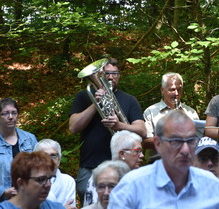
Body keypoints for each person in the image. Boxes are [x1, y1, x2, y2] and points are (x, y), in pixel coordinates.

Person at [108, 110, 219, 209]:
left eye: (190, 141)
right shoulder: (132, 186)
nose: (185, 150)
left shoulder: (211, 186)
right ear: (158, 144)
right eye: (176, 141)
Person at [69, 57, 146, 201]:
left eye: (115, 73)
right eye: (107, 73)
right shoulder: (84, 96)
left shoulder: (130, 100)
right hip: (90, 166)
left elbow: (142, 131)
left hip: (123, 167)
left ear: (119, 76)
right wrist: (95, 103)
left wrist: (120, 126)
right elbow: (73, 127)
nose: (111, 77)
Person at [83, 130, 143, 206]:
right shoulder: (102, 176)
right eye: (137, 151)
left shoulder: (139, 177)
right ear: (122, 154)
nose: (142, 155)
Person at [143, 72, 199, 150]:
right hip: (159, 159)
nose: (176, 93)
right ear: (162, 90)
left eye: (179, 89)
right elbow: (146, 142)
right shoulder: (150, 112)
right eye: (172, 89)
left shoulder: (191, 113)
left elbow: (198, 138)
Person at [0, 98, 37, 201]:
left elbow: (39, 167)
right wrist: (3, 192)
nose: (10, 117)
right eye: (5, 113)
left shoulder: (30, 139)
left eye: (14, 113)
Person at [0, 151, 65, 209]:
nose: (48, 184)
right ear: (21, 183)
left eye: (50, 178)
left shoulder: (56, 207)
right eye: (41, 179)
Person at [34, 139, 76, 209]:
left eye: (53, 156)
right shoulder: (29, 181)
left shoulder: (68, 181)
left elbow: (70, 207)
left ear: (58, 160)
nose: (49, 160)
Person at [193, 137, 219, 209]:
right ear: (193, 163)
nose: (210, 163)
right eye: (203, 159)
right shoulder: (184, 190)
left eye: (214, 158)